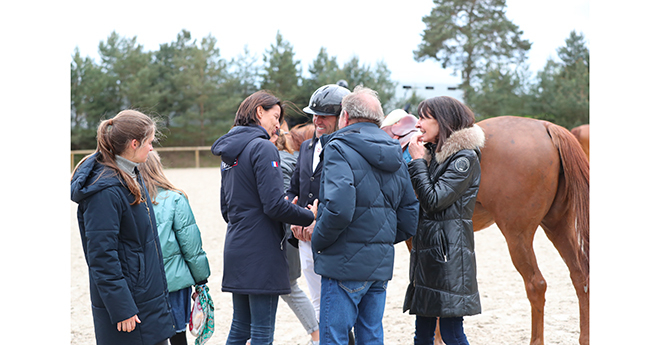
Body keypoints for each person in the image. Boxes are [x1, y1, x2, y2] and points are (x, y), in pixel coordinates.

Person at [311, 86, 420, 344]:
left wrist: (319, 239)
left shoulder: (338, 147)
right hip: (378, 266)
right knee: (371, 336)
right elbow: (409, 213)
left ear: (345, 117)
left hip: (342, 262)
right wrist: (378, 240)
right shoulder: (395, 151)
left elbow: (339, 207)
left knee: (334, 338)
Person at [210, 90, 318, 345]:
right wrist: (307, 215)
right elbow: (274, 206)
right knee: (261, 331)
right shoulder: (263, 148)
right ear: (260, 112)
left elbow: (226, 209)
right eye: (276, 117)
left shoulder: (229, 153)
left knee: (240, 327)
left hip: (236, 245)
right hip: (263, 251)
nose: (279, 126)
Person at [71, 110, 175, 345]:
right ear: (134, 143)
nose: (151, 149)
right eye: (149, 142)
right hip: (131, 309)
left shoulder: (130, 175)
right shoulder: (106, 190)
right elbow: (101, 256)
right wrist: (122, 308)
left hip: (145, 299)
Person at [403, 96, 485, 345]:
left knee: (452, 334)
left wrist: (417, 161)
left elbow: (434, 200)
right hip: (430, 256)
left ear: (443, 121)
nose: (417, 124)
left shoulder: (464, 159)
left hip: (448, 259)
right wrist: (421, 159)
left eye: (423, 117)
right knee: (423, 335)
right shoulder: (435, 156)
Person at [286, 84, 350, 323]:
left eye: (324, 115)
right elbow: (295, 187)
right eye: (315, 114)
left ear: (342, 116)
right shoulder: (306, 146)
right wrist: (294, 215)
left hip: (331, 237)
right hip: (303, 237)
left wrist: (317, 220)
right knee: (317, 300)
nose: (317, 120)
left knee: (335, 303)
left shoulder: (347, 149)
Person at [138, 151, 211, 345]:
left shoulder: (128, 200)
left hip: (143, 283)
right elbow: (191, 246)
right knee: (178, 336)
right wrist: (201, 280)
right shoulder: (175, 199)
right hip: (175, 282)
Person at [270, 129, 321, 345]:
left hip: (284, 234)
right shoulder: (295, 159)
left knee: (289, 287)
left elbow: (281, 202)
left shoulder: (279, 162)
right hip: (291, 232)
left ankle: (317, 334)